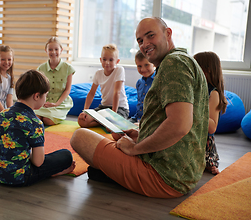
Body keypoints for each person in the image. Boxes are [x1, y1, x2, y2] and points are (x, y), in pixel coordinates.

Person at [70, 17, 209, 198]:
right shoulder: (182, 60)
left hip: (164, 176)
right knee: (117, 139)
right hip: (183, 173)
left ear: (168, 34)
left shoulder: (174, 63)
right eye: (140, 40)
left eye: (150, 35)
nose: (145, 44)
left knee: (79, 137)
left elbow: (179, 124)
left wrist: (135, 149)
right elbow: (170, 120)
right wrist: (141, 136)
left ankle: (116, 173)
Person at [0, 69, 75, 186]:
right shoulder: (35, 122)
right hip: (20, 178)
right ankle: (53, 173)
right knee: (66, 155)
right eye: (45, 96)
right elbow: (38, 162)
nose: (46, 99)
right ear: (37, 96)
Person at [78, 44, 129, 128]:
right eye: (104, 59)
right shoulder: (98, 73)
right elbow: (91, 93)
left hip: (120, 108)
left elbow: (117, 93)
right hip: (104, 108)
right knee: (81, 120)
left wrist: (114, 115)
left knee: (112, 127)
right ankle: (104, 122)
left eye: (111, 60)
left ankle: (106, 123)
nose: (107, 63)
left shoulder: (119, 70)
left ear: (117, 61)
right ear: (101, 60)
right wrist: (85, 111)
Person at [194, 51, 227, 175]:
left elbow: (212, 127)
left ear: (206, 71)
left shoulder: (213, 93)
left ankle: (209, 162)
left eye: (195, 67)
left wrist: (193, 109)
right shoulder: (196, 88)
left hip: (203, 140)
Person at [34, 37, 75, 125]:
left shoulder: (68, 68)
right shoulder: (41, 68)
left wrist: (56, 103)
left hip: (61, 103)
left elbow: (67, 90)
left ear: (61, 50)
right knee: (37, 120)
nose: (53, 52)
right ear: (46, 51)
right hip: (45, 102)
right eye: (50, 49)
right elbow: (39, 89)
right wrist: (41, 102)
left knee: (48, 120)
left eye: (56, 49)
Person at [130, 50, 155, 123]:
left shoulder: (158, 81)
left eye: (146, 65)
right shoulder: (139, 83)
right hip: (137, 118)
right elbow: (139, 104)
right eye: (139, 66)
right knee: (119, 129)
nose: (143, 69)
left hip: (150, 121)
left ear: (153, 64)